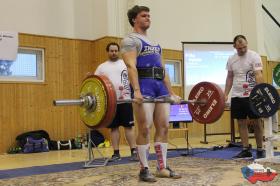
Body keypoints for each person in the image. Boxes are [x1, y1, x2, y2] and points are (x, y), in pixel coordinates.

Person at [121, 5, 182, 182]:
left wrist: (171, 92)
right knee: (145, 128)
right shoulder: (130, 40)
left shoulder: (155, 44)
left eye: (149, 15)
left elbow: (163, 69)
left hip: (159, 87)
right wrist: (137, 90)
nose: (148, 18)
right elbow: (131, 66)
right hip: (144, 85)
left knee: (163, 127)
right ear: (134, 19)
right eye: (144, 15)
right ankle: (144, 169)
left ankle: (161, 168)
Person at [94, 42, 137, 161]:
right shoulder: (101, 67)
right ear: (108, 52)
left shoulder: (125, 64)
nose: (114, 53)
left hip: (126, 100)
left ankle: (133, 151)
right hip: (111, 103)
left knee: (129, 127)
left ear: (118, 51)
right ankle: (116, 153)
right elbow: (95, 82)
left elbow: (134, 78)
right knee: (114, 128)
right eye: (111, 51)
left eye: (115, 50)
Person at [224, 35, 265, 159]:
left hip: (252, 94)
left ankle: (260, 149)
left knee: (257, 122)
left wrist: (260, 92)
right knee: (241, 122)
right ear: (235, 47)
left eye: (244, 47)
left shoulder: (254, 56)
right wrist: (225, 93)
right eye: (239, 48)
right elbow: (230, 77)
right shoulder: (231, 59)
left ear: (247, 44)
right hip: (237, 94)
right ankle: (245, 149)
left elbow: (258, 74)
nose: (242, 50)